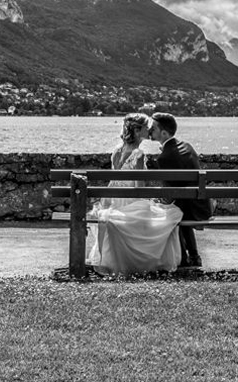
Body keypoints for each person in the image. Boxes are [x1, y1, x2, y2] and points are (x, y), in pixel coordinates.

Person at [86, 113, 182, 275]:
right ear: (138, 131)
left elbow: (114, 180)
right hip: (131, 201)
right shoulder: (138, 155)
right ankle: (144, 261)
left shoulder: (116, 151)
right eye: (146, 128)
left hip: (114, 200)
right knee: (172, 214)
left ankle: (111, 260)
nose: (150, 130)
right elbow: (139, 188)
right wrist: (150, 201)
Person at [147, 111, 211, 267]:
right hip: (200, 204)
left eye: (153, 128)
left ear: (163, 132)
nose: (150, 131)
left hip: (187, 208)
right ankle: (194, 256)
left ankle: (183, 258)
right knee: (178, 207)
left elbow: (169, 191)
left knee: (170, 211)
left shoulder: (164, 157)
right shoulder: (187, 146)